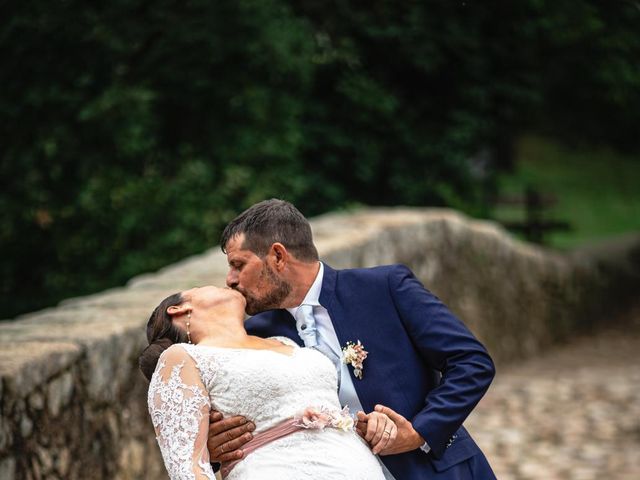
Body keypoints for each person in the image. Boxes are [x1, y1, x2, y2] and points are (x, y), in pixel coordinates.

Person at [207, 199, 497, 479]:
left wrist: (419, 432)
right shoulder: (256, 334)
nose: (230, 280)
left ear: (278, 256)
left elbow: (471, 361)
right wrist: (215, 446)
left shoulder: (384, 288)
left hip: (431, 470)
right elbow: (232, 423)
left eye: (238, 264)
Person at [140, 285, 391, 479]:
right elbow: (187, 467)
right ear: (179, 309)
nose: (228, 282)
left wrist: (368, 424)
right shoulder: (181, 358)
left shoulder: (285, 341)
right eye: (202, 287)